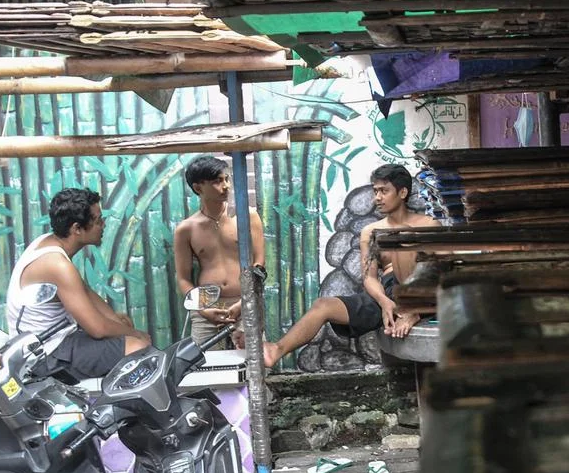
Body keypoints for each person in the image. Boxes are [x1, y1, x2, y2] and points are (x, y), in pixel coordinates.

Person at [263, 164, 438, 368]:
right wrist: (384, 302)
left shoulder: (428, 225)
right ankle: (277, 349)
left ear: (403, 192)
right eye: (375, 191)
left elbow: (437, 270)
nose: (377, 198)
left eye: (384, 191)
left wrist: (413, 306)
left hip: (419, 289)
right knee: (323, 305)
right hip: (386, 291)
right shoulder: (371, 231)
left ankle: (413, 311)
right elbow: (369, 277)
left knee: (408, 241)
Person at [6, 188, 151, 378]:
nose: (103, 224)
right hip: (43, 356)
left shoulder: (47, 243)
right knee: (138, 347)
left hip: (58, 338)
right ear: (76, 229)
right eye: (98, 221)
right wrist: (136, 335)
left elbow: (86, 292)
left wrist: (124, 328)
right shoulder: (57, 265)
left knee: (122, 322)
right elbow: (97, 329)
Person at [173, 156, 265, 348]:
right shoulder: (186, 229)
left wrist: (246, 300)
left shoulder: (247, 216)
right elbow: (183, 278)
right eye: (217, 181)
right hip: (206, 305)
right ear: (198, 188)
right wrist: (202, 308)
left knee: (255, 359)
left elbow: (259, 263)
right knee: (202, 361)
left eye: (227, 179)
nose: (226, 186)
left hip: (245, 300)